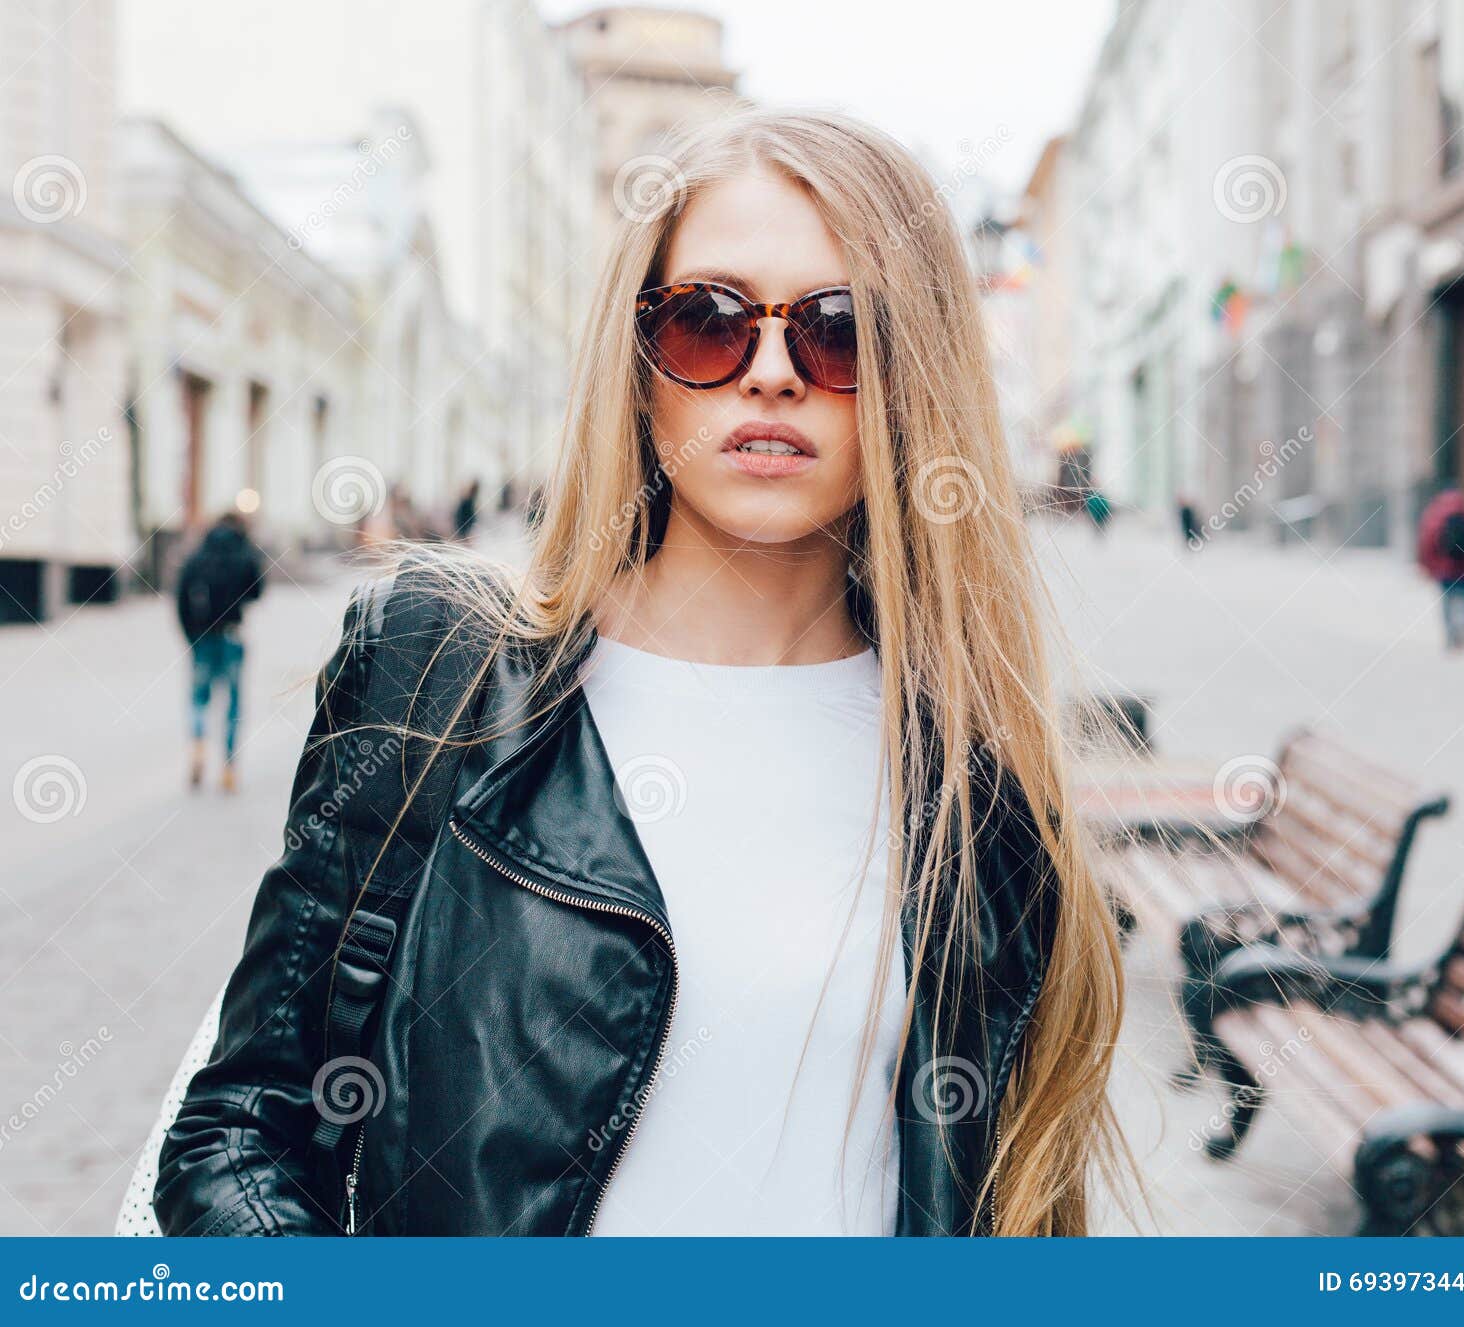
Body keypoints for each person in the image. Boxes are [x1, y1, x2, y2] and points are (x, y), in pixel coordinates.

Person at [154, 109, 1131, 1239]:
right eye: (709, 322)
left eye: (839, 330)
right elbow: (239, 1131)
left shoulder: (979, 783)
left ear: (917, 378)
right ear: (638, 360)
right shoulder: (439, 675)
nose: (770, 373)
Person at [174, 511, 264, 792]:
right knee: (233, 703)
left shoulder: (198, 555)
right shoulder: (243, 553)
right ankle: (229, 766)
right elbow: (258, 590)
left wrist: (191, 636)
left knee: (200, 699)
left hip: (202, 636)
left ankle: (199, 746)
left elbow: (180, 598)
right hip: (232, 635)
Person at [1417, 487, 1464, 651]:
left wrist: (1427, 566)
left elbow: (1426, 543)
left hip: (1444, 569)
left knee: (1447, 602)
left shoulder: (1434, 515)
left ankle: (1450, 636)